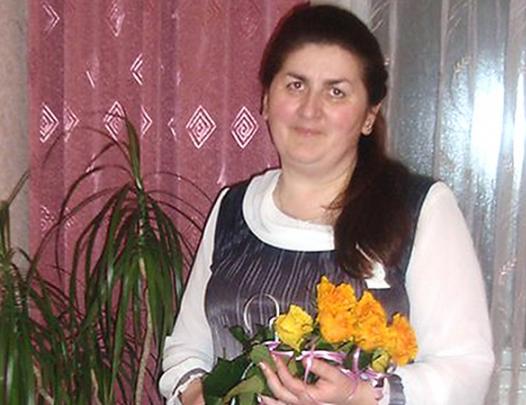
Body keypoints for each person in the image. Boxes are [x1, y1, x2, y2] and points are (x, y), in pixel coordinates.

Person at [159, 4, 494, 404]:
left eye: (336, 92)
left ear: (369, 115)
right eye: (295, 85)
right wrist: (196, 393)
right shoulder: (233, 209)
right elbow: (187, 347)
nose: (310, 109)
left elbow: (467, 368)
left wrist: (360, 396)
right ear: (266, 100)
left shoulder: (419, 209)